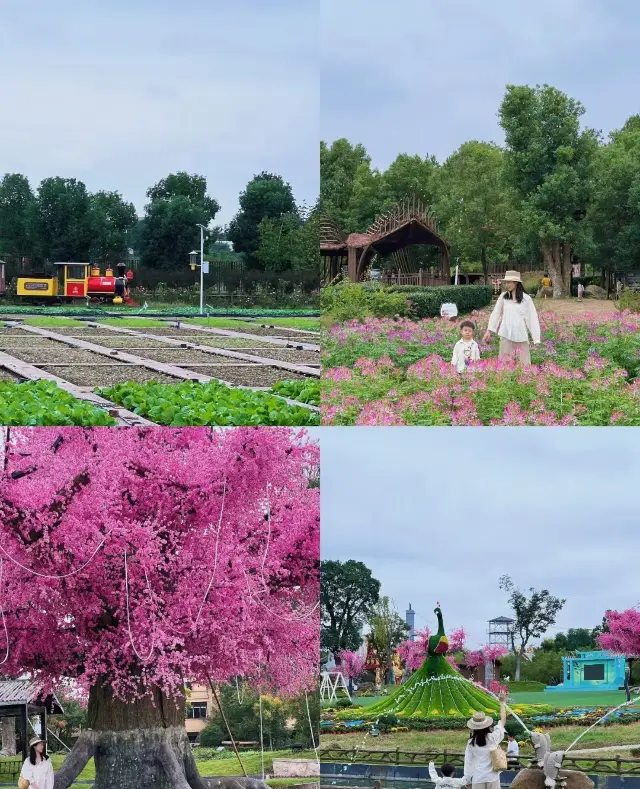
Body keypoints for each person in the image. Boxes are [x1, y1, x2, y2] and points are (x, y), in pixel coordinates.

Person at [483, 271, 541, 366]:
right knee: (505, 365)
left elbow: (532, 319)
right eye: (506, 282)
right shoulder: (503, 297)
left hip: (521, 336)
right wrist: (489, 330)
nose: (507, 284)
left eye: (510, 282)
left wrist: (536, 339)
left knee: (524, 365)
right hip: (506, 335)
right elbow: (496, 313)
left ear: (516, 282)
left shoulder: (526, 299)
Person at [463, 690, 508, 789]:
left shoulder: (471, 743)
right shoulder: (493, 737)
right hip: (493, 777)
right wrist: (502, 703)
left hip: (478, 778)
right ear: (487, 725)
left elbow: (468, 762)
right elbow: (503, 721)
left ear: (473, 727)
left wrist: (467, 779)